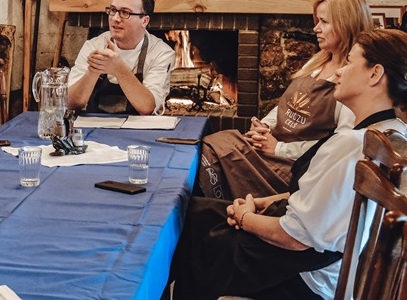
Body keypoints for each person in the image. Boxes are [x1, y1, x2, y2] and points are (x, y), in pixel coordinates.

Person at [167, 28, 407, 300]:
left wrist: (246, 218)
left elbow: (295, 238)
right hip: (320, 256)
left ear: (375, 74)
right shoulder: (394, 133)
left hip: (308, 278)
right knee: (199, 209)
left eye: (350, 62)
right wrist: (262, 202)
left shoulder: (352, 144)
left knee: (190, 234)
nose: (339, 71)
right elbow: (329, 200)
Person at [197, 0, 372, 200]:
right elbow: (285, 106)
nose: (316, 28)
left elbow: (336, 149)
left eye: (324, 22)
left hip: (292, 166)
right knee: (211, 143)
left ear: (346, 24)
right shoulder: (317, 62)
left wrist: (279, 148)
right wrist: (264, 126)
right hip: (272, 148)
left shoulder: (351, 82)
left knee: (214, 149)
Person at [67, 0, 175, 115]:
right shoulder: (93, 46)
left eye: (125, 13)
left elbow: (148, 108)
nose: (115, 19)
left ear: (144, 20)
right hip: (95, 128)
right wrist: (93, 71)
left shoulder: (161, 53)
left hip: (138, 131)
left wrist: (119, 68)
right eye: (113, 10)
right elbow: (70, 102)